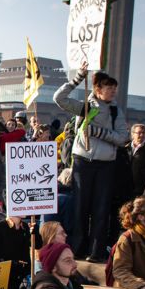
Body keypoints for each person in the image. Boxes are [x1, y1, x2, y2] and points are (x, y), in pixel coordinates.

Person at [53, 62, 129, 262]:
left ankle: (96, 251)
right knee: (80, 208)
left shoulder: (116, 112)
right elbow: (58, 98)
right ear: (97, 89)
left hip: (105, 164)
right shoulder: (85, 107)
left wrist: (99, 132)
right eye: (108, 87)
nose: (112, 91)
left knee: (101, 208)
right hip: (82, 162)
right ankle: (77, 249)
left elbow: (122, 137)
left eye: (114, 88)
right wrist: (78, 78)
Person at [128, 123, 145, 197]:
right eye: (139, 133)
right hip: (126, 186)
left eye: (144, 133)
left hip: (141, 188)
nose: (142, 135)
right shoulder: (126, 148)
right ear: (133, 134)